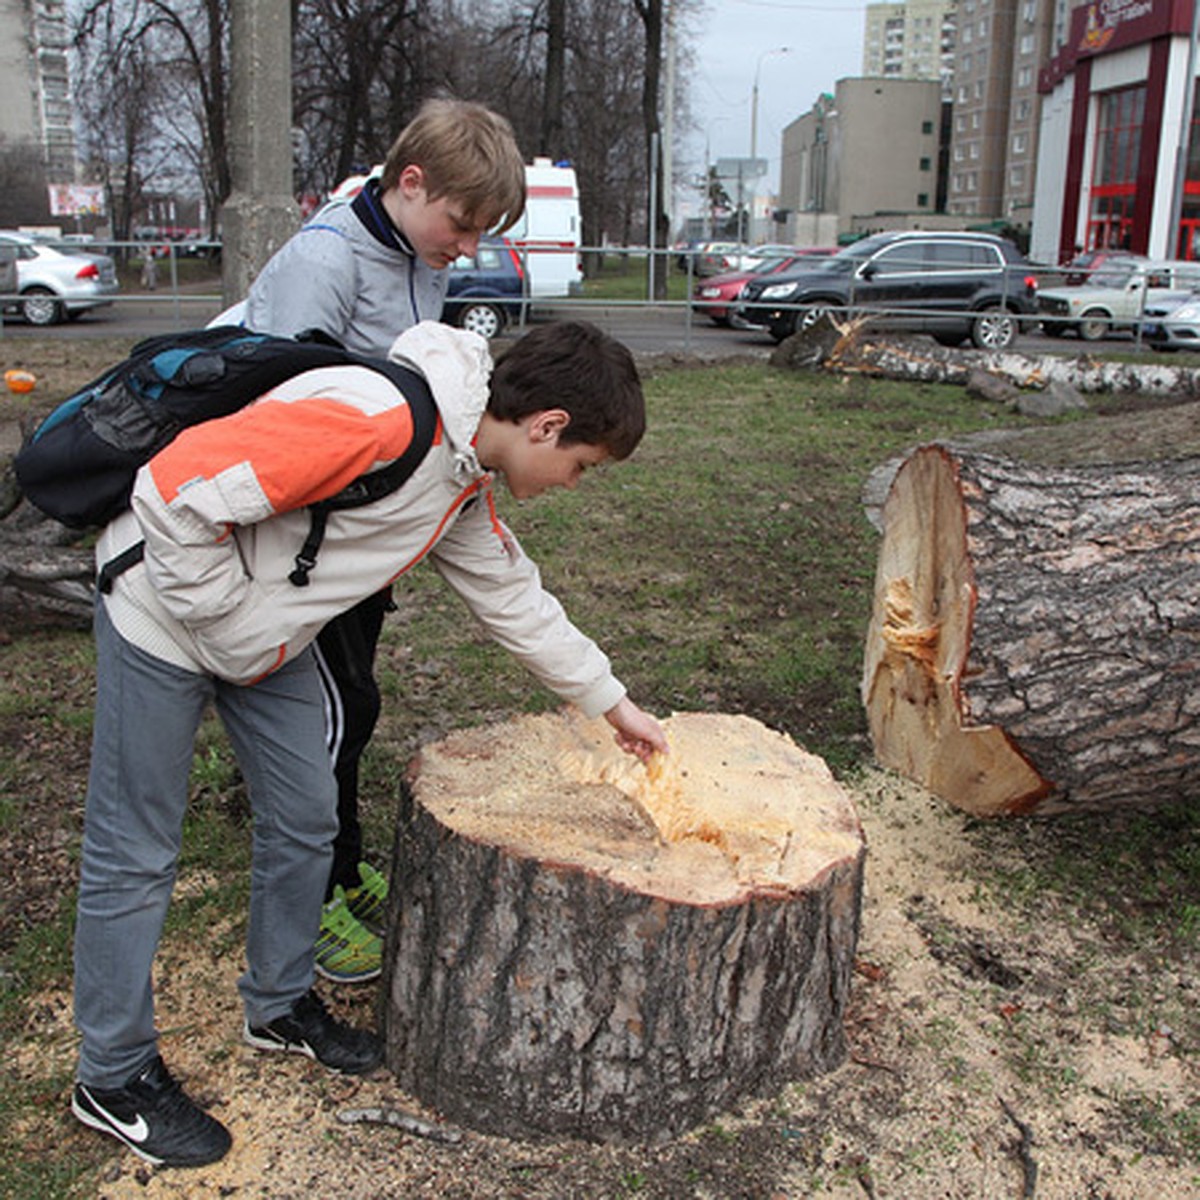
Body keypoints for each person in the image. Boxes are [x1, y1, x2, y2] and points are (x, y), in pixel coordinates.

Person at [70, 317, 669, 1169]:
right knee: (137, 849)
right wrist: (226, 627)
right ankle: (113, 1075)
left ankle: (277, 1006)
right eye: (582, 466)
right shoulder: (379, 420)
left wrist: (612, 704)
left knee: (309, 815)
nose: (574, 483)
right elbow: (175, 490)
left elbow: (512, 596)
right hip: (164, 615)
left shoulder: (462, 477)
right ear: (547, 425)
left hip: (257, 636)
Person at [240, 97, 527, 984]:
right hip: (304, 545)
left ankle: (343, 857)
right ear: (411, 183)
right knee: (328, 714)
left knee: (354, 703)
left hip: (364, 536)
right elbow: (272, 410)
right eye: (464, 224)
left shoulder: (415, 249)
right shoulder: (325, 259)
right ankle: (314, 895)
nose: (469, 249)